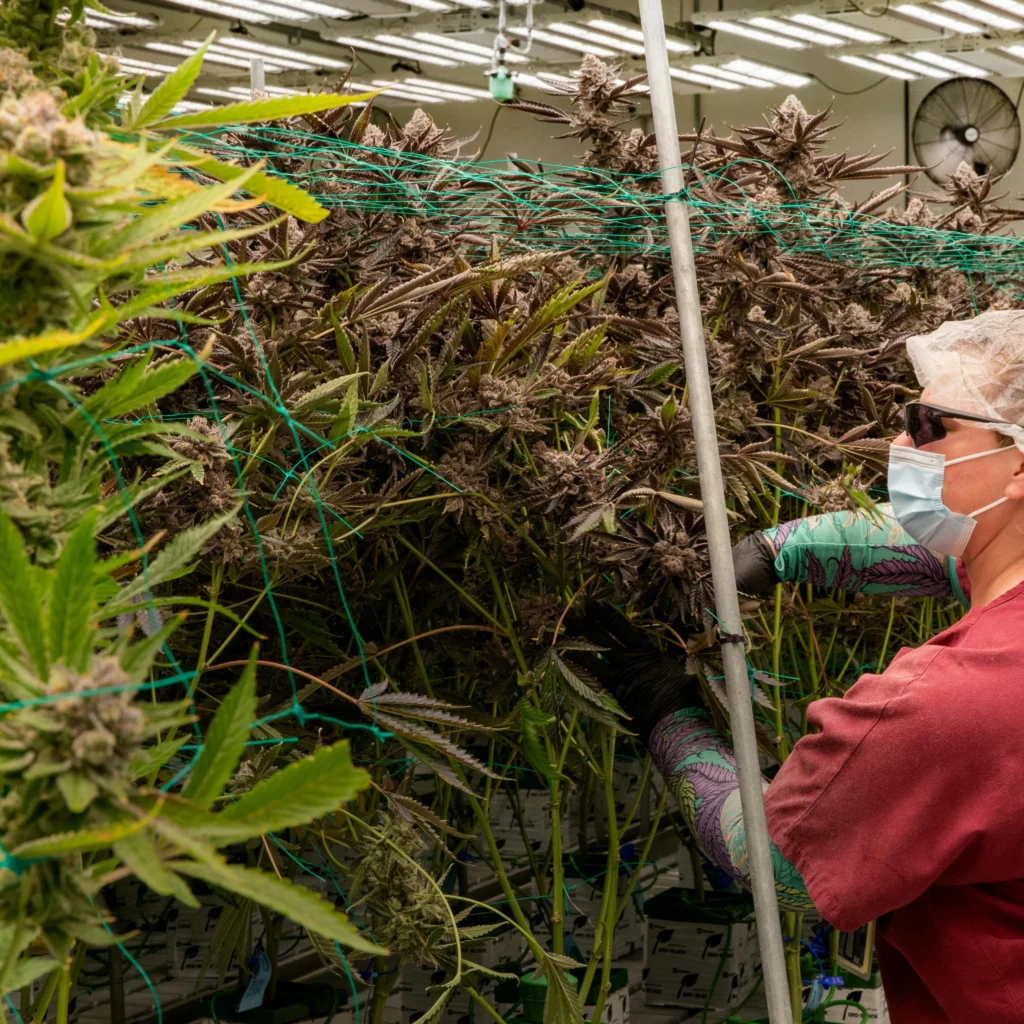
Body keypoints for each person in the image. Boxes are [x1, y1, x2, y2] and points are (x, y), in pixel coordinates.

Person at [570, 311, 1024, 1024]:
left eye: (929, 427)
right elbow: (962, 553)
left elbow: (778, 865)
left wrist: (667, 714)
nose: (899, 444)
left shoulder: (952, 702)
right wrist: (777, 549)